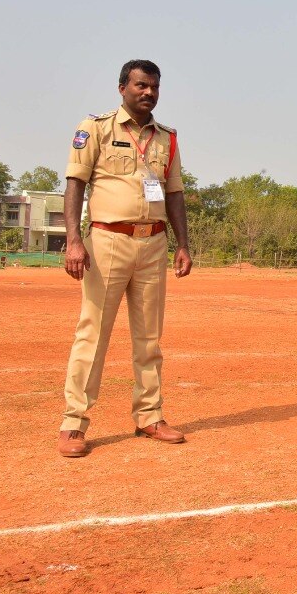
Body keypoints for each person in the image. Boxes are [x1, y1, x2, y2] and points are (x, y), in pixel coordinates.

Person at [58, 59, 193, 458]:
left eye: (154, 86)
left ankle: (150, 415)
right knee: (93, 333)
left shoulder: (167, 138)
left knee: (149, 338)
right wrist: (73, 240)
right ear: (122, 88)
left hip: (153, 244)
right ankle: (74, 423)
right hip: (106, 242)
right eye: (140, 85)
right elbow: (75, 184)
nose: (148, 92)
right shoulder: (95, 128)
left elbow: (174, 194)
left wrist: (182, 244)